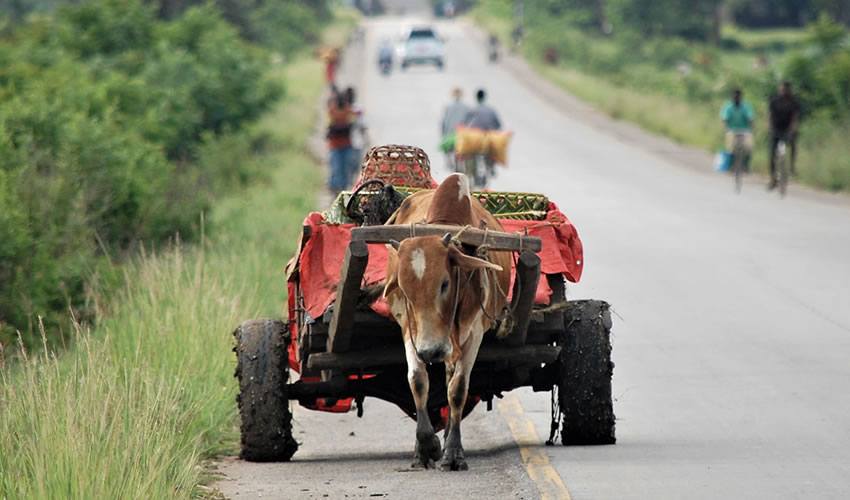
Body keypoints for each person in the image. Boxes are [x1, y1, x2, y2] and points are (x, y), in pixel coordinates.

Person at [768, 81, 801, 185]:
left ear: (789, 90)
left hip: (788, 129)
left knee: (793, 143)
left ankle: (792, 166)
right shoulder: (774, 101)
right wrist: (770, 128)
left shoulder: (794, 103)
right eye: (782, 89)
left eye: (785, 90)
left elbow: (795, 118)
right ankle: (773, 178)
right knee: (772, 155)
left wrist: (792, 130)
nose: (783, 92)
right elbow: (769, 116)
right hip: (776, 129)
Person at [721, 88, 754, 171]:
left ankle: (746, 166)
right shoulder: (728, 107)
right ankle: (730, 165)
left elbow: (751, 118)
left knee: (748, 147)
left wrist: (751, 129)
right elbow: (725, 119)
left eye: (738, 96)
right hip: (732, 130)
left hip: (744, 130)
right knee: (730, 148)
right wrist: (726, 129)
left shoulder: (746, 106)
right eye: (734, 96)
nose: (736, 98)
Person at [327, 92, 353, 195]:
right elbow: (329, 126)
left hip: (346, 144)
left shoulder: (347, 110)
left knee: (345, 168)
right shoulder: (332, 111)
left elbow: (352, 122)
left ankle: (343, 188)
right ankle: (334, 187)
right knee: (336, 167)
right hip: (335, 145)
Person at [440, 87, 469, 172]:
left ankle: (449, 162)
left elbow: (444, 122)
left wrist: (443, 133)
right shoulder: (467, 107)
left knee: (446, 148)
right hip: (463, 134)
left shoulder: (448, 106)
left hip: (450, 133)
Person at [345, 87, 370, 185]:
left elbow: (363, 126)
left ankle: (353, 184)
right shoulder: (344, 109)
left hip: (357, 142)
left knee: (356, 166)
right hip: (347, 142)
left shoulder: (357, 109)